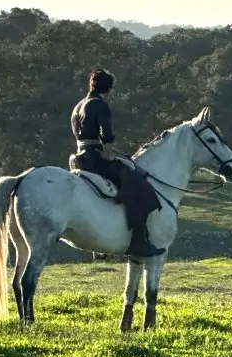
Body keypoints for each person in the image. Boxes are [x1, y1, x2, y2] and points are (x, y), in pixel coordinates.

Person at [70, 68, 165, 257]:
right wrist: (109, 154)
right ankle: (138, 241)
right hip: (96, 158)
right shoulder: (100, 105)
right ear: (109, 89)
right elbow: (106, 134)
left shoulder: (79, 105)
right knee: (139, 186)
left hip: (80, 156)